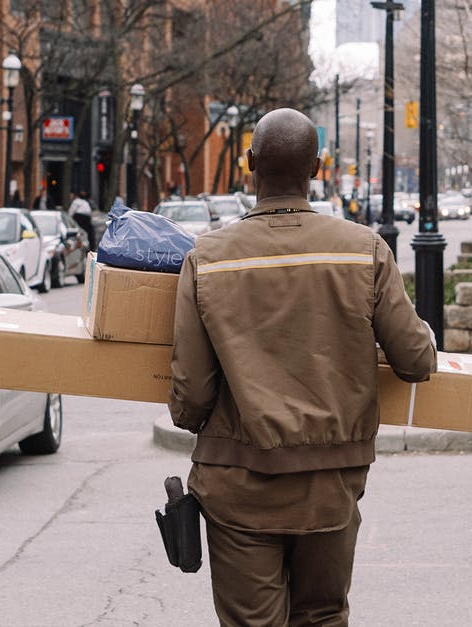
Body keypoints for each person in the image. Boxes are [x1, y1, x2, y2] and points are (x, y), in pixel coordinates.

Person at [168, 108, 438, 625]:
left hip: (237, 486)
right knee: (322, 616)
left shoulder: (208, 258)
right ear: (317, 168)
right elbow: (415, 361)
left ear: (250, 164)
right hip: (329, 487)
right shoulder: (365, 252)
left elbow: (192, 394)